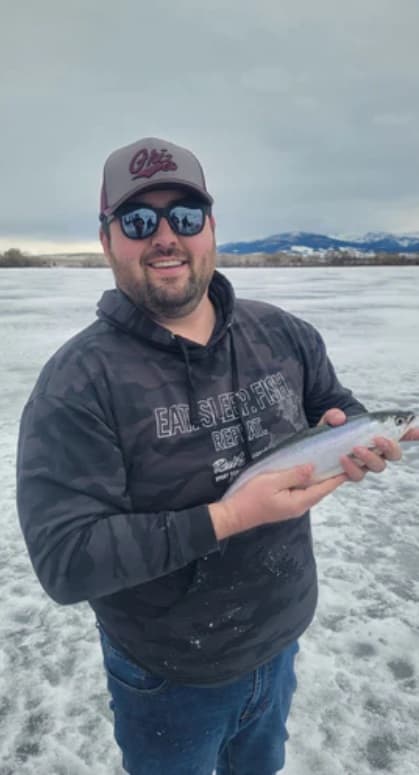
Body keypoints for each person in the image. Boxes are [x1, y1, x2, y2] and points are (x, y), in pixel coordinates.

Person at [16, 137, 418, 775]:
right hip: (169, 674)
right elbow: (67, 562)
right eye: (139, 221)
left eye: (186, 215)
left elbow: (332, 405)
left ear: (211, 228)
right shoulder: (77, 385)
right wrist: (229, 517)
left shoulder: (283, 333)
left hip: (280, 636)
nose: (166, 236)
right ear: (107, 241)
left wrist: (359, 436)